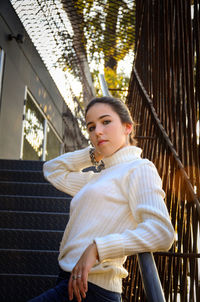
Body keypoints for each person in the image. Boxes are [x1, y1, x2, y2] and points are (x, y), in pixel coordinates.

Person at [29, 96, 174, 302]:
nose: (97, 131)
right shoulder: (98, 177)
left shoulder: (139, 169)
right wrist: (92, 155)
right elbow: (52, 170)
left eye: (106, 122)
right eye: (91, 127)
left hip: (94, 287)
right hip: (68, 278)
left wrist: (99, 248)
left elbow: (162, 232)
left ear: (127, 127)